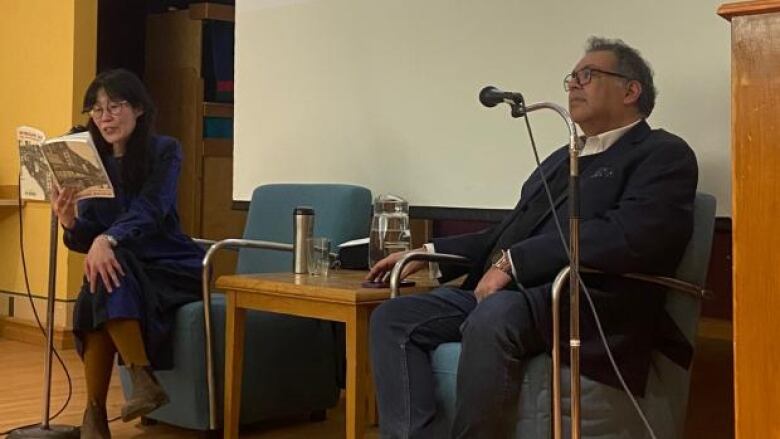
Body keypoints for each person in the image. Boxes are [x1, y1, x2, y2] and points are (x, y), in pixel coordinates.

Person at [367, 37, 698, 438]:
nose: (574, 84)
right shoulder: (564, 157)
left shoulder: (662, 153)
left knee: (494, 315)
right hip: (517, 295)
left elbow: (631, 235)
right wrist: (430, 250)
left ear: (631, 90)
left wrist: (514, 262)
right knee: (393, 317)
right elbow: (509, 231)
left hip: (586, 300)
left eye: (587, 75)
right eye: (571, 78)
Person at [52, 69, 205, 439]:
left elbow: (153, 208)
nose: (104, 117)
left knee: (104, 270)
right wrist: (71, 221)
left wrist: (109, 239)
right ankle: (140, 385)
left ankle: (96, 415)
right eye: (97, 109)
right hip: (122, 269)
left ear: (138, 109)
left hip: (169, 264)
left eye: (114, 106)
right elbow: (87, 237)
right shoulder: (91, 162)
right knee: (104, 273)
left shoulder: (164, 151)